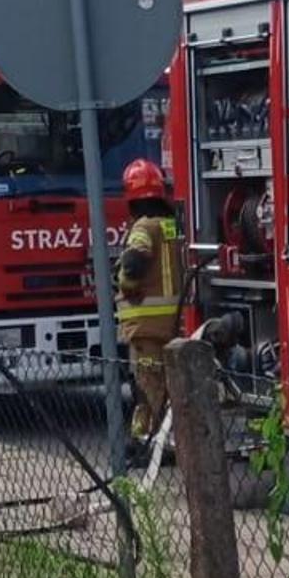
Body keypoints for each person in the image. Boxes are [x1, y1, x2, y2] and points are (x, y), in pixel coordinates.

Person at [114, 158, 182, 457]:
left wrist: (125, 286)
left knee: (146, 387)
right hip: (173, 323)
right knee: (170, 385)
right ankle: (164, 440)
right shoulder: (172, 225)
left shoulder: (143, 227)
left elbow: (134, 263)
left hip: (145, 326)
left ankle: (147, 443)